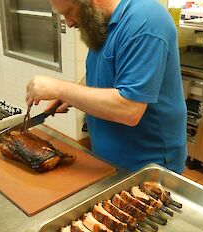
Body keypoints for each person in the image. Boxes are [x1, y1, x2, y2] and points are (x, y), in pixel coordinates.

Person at [26, 0, 187, 174]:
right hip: (111, 161)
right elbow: (102, 73)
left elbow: (130, 109)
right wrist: (70, 96)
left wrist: (60, 88)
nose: (69, 22)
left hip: (148, 167)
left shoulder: (145, 21)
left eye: (69, 12)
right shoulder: (102, 24)